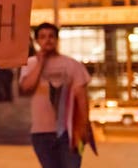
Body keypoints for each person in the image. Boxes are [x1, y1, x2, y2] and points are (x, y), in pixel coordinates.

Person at [19, 22, 91, 168]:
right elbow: (26, 87)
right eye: (43, 37)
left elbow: (81, 97)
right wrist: (40, 63)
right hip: (41, 133)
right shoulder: (30, 64)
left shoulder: (72, 65)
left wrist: (84, 126)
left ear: (57, 40)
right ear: (37, 41)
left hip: (69, 133)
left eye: (51, 36)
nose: (48, 40)